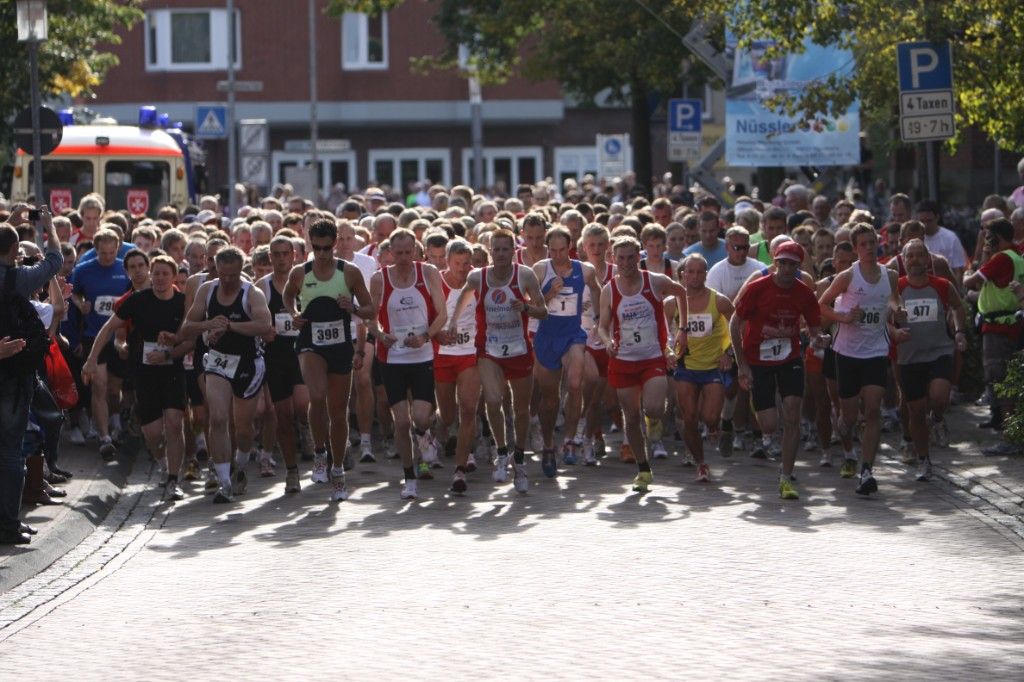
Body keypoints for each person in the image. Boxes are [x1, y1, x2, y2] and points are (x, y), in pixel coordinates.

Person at [83, 256, 191, 500]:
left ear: (174, 277)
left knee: (175, 422)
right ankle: (163, 463)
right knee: (153, 433)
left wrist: (169, 354)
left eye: (166, 274)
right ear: (151, 275)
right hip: (144, 373)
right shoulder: (137, 301)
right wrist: (92, 359)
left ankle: (174, 479)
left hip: (172, 371)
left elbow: (192, 339)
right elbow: (109, 328)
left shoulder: (183, 303)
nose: (161, 278)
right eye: (157, 273)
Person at [448, 228, 547, 494]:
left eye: (506, 249)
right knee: (493, 400)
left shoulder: (523, 275)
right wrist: (453, 323)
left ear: (513, 251)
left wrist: (525, 307)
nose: (501, 254)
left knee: (521, 410)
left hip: (519, 350)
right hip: (489, 350)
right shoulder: (477, 277)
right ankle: (501, 452)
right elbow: (462, 298)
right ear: (490, 251)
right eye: (497, 249)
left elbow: (543, 310)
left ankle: (519, 458)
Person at [285, 218, 375, 501]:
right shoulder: (301, 272)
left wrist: (354, 306)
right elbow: (287, 297)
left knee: (338, 411)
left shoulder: (349, 272)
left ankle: (337, 469)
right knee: (317, 395)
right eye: (317, 248)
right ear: (310, 245)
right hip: (311, 343)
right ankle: (320, 453)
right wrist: (293, 314)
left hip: (339, 345)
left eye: (327, 248)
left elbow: (371, 309)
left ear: (335, 243)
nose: (322, 254)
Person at [730, 241, 825, 500]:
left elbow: (815, 329)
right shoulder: (757, 289)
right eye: (781, 262)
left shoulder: (804, 293)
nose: (785, 268)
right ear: (774, 262)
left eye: (791, 264)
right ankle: (759, 411)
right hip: (758, 359)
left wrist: (818, 339)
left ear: (798, 267)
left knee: (793, 411)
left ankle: (786, 475)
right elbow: (735, 323)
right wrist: (742, 365)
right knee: (769, 424)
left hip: (789, 357)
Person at [178, 247, 272, 504]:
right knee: (217, 418)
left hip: (247, 364)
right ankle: (224, 482)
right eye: (223, 275)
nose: (228, 280)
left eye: (233, 275)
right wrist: (208, 325)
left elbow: (265, 326)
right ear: (216, 271)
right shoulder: (207, 290)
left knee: (243, 429)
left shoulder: (252, 292)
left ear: (241, 271)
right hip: (218, 361)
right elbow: (187, 328)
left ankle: (240, 462)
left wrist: (230, 326)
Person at [819, 224, 907, 495]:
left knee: (872, 409)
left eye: (872, 243)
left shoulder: (889, 275)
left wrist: (897, 311)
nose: (869, 248)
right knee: (849, 416)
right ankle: (844, 431)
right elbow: (822, 304)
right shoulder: (847, 276)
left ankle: (866, 470)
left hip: (875, 351)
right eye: (864, 244)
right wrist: (844, 317)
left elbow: (892, 299)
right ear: (856, 248)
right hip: (846, 352)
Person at [597, 236, 689, 494]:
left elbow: (682, 293)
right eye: (621, 258)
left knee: (653, 408)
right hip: (624, 359)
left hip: (652, 357)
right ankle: (643, 468)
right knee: (632, 417)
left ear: (639, 257)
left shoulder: (654, 281)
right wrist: (606, 342)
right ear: (613, 259)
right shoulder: (609, 290)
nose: (626, 263)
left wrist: (682, 329)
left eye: (630, 257)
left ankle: (656, 421)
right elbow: (602, 327)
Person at [370, 228, 447, 500]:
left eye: (407, 252)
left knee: (421, 417)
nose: (403, 258)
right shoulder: (380, 278)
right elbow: (371, 316)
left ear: (415, 251)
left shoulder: (427, 273)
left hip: (422, 356)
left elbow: (443, 313)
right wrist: (380, 334)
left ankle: (426, 438)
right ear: (390, 253)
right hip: (392, 359)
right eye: (398, 253)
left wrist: (426, 336)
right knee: (401, 422)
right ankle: (410, 477)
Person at [0, 207, 62, 545]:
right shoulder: (18, 278)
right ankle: (8, 524)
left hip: (10, 369)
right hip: (13, 372)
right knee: (10, 451)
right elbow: (54, 260)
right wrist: (49, 226)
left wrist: (7, 226)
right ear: (14, 251)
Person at [532, 226, 602, 476]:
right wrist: (548, 292)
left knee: (575, 384)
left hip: (573, 335)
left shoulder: (585, 270)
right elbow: (530, 304)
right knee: (549, 399)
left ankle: (571, 440)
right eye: (553, 250)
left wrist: (599, 317)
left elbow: (597, 289)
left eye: (563, 250)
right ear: (547, 249)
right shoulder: (540, 269)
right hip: (547, 336)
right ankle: (549, 443)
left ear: (570, 247)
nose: (558, 255)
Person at [897, 240, 967, 480]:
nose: (915, 260)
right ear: (904, 261)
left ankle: (937, 418)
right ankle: (923, 459)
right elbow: (886, 316)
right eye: (910, 256)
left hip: (939, 352)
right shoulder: (896, 288)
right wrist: (893, 329)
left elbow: (958, 307)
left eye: (919, 255)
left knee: (939, 396)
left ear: (927, 259)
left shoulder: (942, 285)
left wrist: (958, 332)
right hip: (909, 357)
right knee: (915, 411)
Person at [70, 228, 130, 461]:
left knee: (114, 389)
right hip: (93, 335)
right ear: (96, 250)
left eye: (111, 252)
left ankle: (116, 422)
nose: (107, 257)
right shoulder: (83, 270)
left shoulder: (124, 268)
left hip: (118, 335)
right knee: (99, 386)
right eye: (102, 253)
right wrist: (80, 303)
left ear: (117, 248)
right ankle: (105, 438)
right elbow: (71, 294)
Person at [673, 254, 734, 482]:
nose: (695, 276)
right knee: (689, 417)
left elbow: (737, 326)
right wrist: (669, 351)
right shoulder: (673, 303)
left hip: (711, 367)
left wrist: (728, 353)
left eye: (700, 272)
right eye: (691, 272)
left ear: (706, 275)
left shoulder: (719, 301)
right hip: (686, 366)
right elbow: (660, 329)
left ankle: (715, 425)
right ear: (682, 274)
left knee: (709, 416)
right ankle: (701, 463)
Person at [964, 218, 1024, 445]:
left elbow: (971, 282)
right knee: (1005, 379)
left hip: (998, 329)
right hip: (1009, 323)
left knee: (1000, 379)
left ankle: (1009, 439)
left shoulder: (1001, 258)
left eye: (988, 236)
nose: (986, 240)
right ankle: (1006, 428)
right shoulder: (1017, 256)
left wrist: (970, 270)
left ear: (997, 237)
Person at [256, 236, 307, 492]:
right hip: (276, 356)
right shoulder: (262, 287)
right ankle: (292, 471)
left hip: (304, 353)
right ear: (270, 257)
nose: (281, 259)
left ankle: (313, 437)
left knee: (303, 405)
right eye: (275, 254)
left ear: (294, 255)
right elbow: (254, 321)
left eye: (285, 253)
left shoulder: (307, 281)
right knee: (283, 416)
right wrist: (264, 331)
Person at [434, 239, 481, 493]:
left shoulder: (477, 282)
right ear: (447, 262)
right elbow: (425, 317)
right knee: (449, 414)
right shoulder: (436, 282)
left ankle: (460, 469)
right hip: (442, 354)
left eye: (466, 264)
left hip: (469, 353)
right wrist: (436, 334)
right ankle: (436, 431)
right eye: (457, 264)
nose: (462, 269)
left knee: (469, 409)